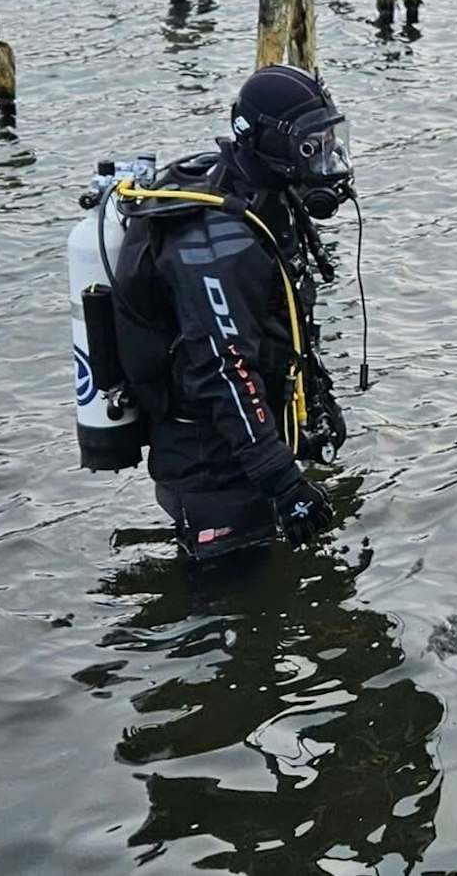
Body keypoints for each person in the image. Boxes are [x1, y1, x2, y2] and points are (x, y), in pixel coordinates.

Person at [113, 64, 354, 557]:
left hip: (243, 447)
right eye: (313, 147)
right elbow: (225, 371)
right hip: (211, 470)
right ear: (270, 143)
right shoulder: (214, 242)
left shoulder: (264, 197)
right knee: (227, 612)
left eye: (331, 142)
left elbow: (285, 321)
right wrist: (283, 483)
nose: (328, 159)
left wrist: (320, 403)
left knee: (273, 611)